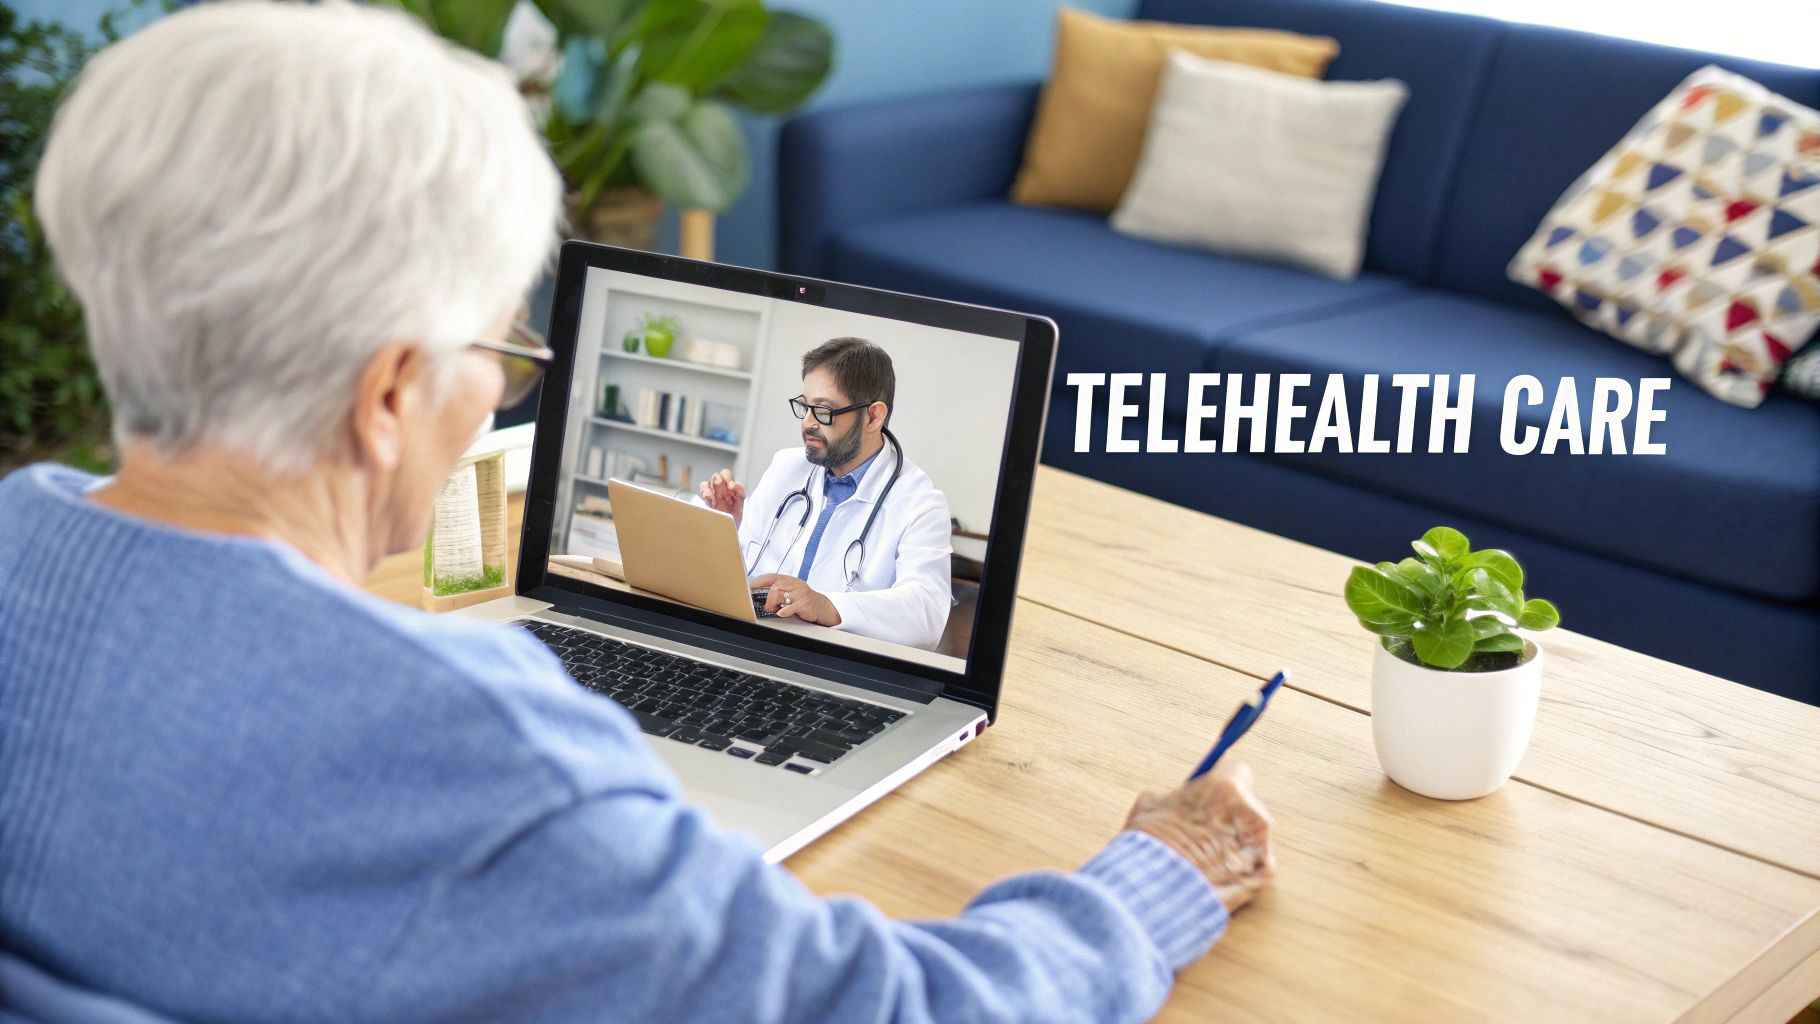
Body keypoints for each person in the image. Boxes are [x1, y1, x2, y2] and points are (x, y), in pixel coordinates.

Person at [0, 3, 1276, 1022]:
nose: (496, 384)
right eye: (495, 349)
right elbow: (903, 1006)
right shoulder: (489, 767)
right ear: (391, 389)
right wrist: (1153, 876)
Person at [699, 338, 952, 650]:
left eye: (823, 410)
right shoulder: (786, 467)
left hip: (832, 666)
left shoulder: (920, 503)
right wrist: (726, 524)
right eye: (805, 406)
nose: (807, 422)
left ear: (873, 416)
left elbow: (926, 614)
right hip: (748, 644)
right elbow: (742, 579)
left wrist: (827, 606)